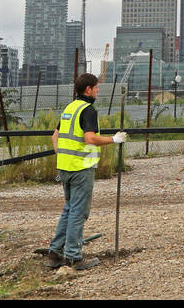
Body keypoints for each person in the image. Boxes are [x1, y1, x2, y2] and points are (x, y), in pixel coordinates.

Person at [45, 73, 127, 271]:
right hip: (81, 167)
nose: (98, 91)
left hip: (65, 167)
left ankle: (55, 252)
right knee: (78, 212)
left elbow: (55, 136)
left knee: (69, 209)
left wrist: (63, 157)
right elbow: (90, 139)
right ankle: (74, 257)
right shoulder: (88, 110)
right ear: (88, 89)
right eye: (96, 87)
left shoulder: (70, 108)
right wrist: (114, 139)